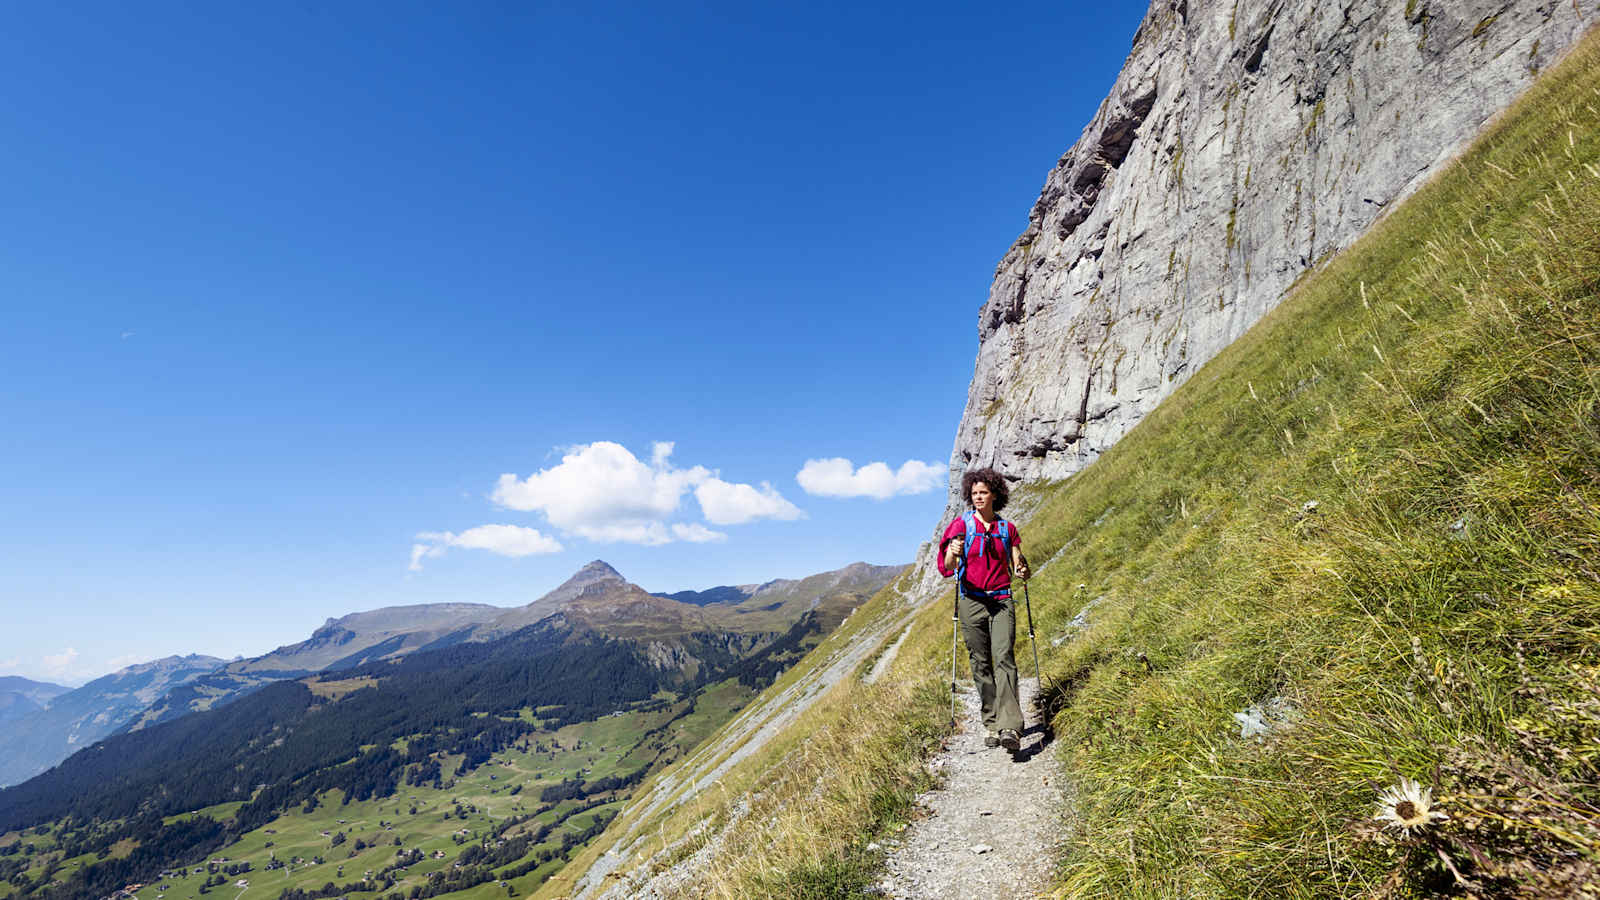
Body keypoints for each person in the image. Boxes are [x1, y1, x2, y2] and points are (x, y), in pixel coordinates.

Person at [937, 466, 1031, 752]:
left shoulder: (1006, 529)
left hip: (1001, 599)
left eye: (983, 492)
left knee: (1004, 658)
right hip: (971, 601)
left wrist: (1022, 569)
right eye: (974, 493)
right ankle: (991, 723)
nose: (978, 497)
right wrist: (953, 552)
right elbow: (947, 568)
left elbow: (1018, 562)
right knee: (980, 663)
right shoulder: (961, 526)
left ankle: (1010, 727)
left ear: (995, 495)